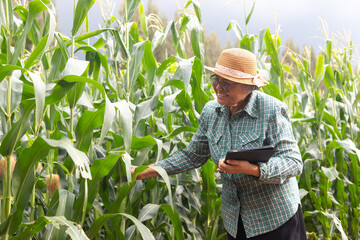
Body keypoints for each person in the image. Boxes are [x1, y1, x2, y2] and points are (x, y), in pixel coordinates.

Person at [131, 48, 306, 240]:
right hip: (235, 220)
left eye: (227, 83)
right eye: (216, 79)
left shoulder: (271, 109)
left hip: (275, 220)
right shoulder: (211, 111)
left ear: (249, 87)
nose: (218, 88)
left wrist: (253, 169)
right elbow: (192, 155)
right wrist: (146, 170)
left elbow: (293, 162)